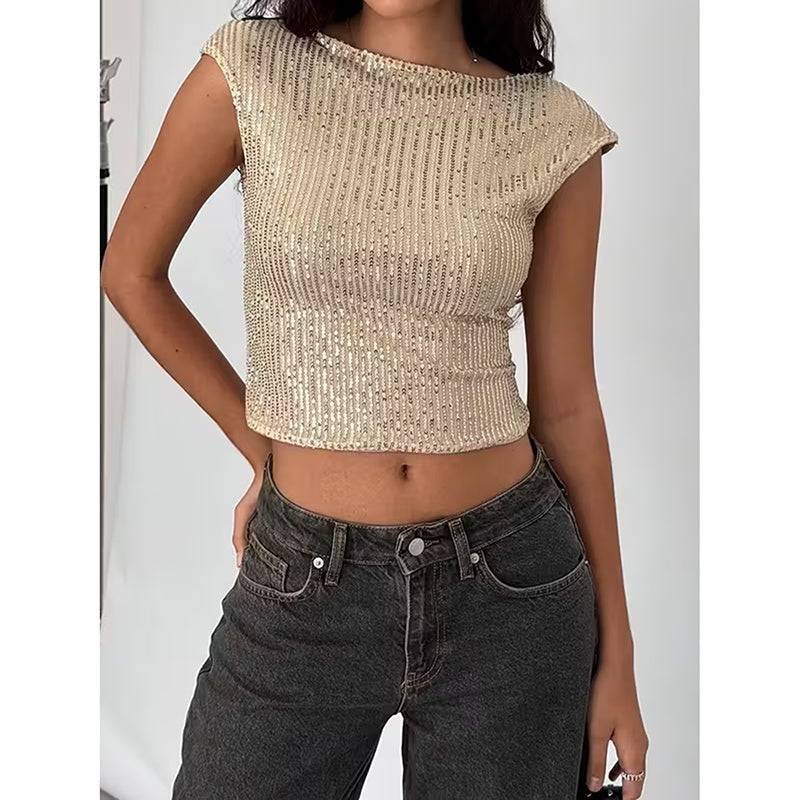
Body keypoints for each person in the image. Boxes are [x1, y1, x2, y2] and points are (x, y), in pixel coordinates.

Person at [101, 2, 649, 798]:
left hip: (511, 586)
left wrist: (618, 655)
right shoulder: (254, 68)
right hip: (303, 576)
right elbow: (131, 271)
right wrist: (266, 451)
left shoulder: (549, 127)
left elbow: (567, 408)